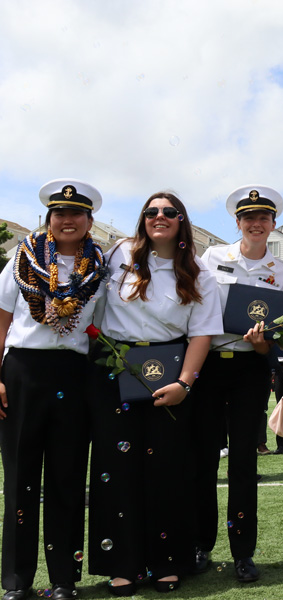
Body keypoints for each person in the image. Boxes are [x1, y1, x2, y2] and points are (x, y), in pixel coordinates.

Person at [87, 192, 221, 596]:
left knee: (167, 470)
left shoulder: (199, 273)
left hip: (170, 371)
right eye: (151, 212)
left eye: (168, 212)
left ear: (182, 221)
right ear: (142, 219)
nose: (158, 217)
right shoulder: (117, 255)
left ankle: (167, 562)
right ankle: (121, 564)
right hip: (115, 369)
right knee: (118, 468)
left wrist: (184, 384)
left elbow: (202, 333)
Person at [0, 180, 107, 600]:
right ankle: (16, 580)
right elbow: (2, 318)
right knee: (20, 479)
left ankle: (64, 578)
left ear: (89, 221)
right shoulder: (20, 259)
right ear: (48, 219)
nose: (67, 220)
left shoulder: (100, 266)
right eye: (59, 213)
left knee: (67, 479)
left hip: (73, 373)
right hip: (23, 370)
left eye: (76, 214)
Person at [189, 185, 283, 582]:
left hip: (250, 371)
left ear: (272, 224)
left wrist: (264, 342)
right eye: (248, 217)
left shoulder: (280, 272)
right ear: (237, 222)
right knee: (203, 461)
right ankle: (200, 545)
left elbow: (278, 332)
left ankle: (243, 553)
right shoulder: (212, 257)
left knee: (244, 465)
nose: (256, 223)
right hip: (209, 366)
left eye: (263, 218)